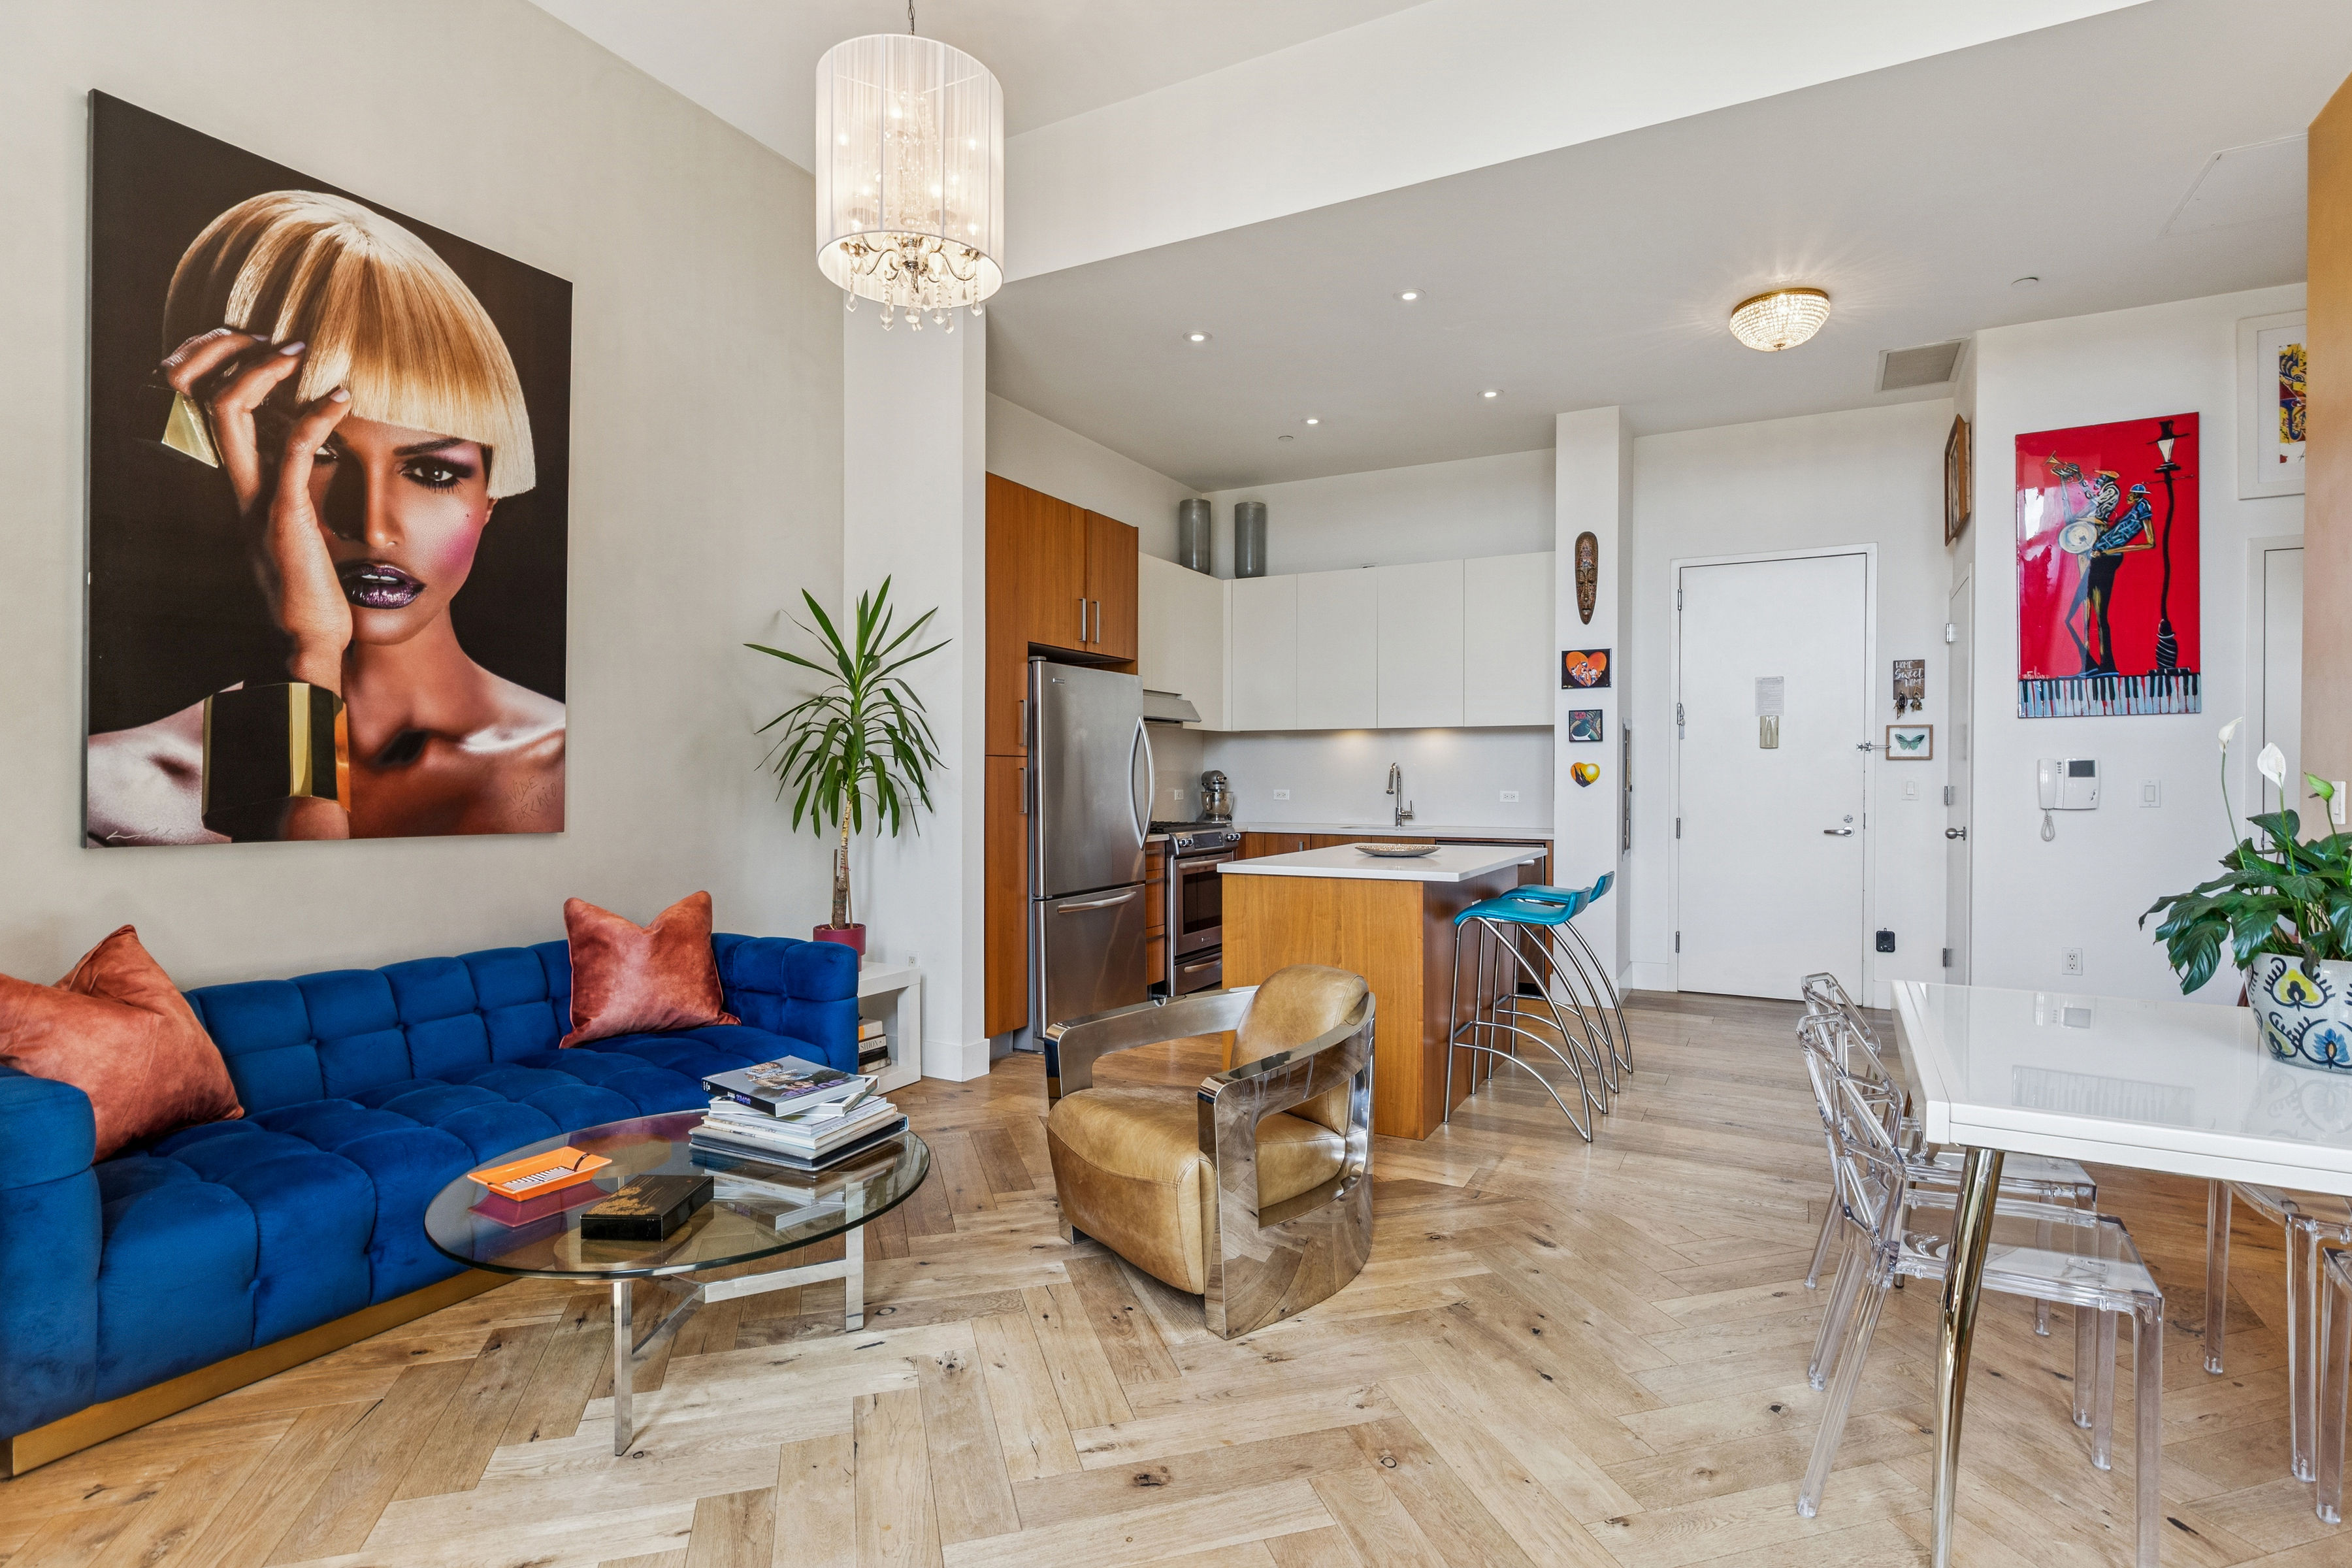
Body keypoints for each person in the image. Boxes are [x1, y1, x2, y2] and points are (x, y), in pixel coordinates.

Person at [86, 191, 563, 844]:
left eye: (431, 472)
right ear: (215, 460)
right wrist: (304, 655)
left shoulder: (578, 773)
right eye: (313, 454)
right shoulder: (107, 791)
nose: (372, 526)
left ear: (491, 497)